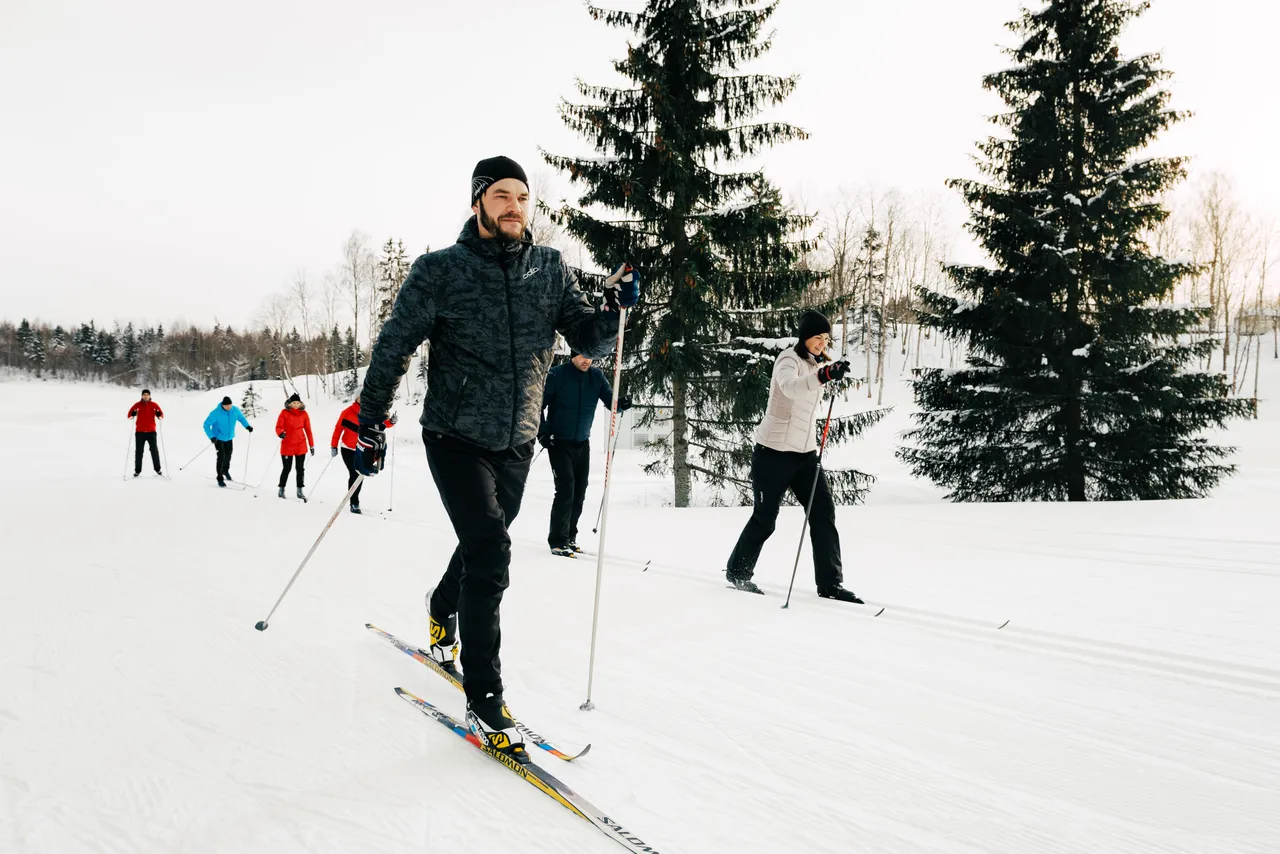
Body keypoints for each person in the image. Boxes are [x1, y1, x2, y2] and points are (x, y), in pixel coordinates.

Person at [352, 155, 639, 763]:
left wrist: (613, 310)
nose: (514, 206)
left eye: (523, 197)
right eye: (502, 195)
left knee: (483, 542)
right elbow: (395, 344)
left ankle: (439, 603)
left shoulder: (550, 268)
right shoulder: (440, 271)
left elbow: (584, 335)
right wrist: (369, 420)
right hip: (454, 437)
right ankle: (485, 699)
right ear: (478, 201)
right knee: (491, 549)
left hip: (517, 441)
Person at [725, 310, 864, 603]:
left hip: (805, 455)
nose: (821, 344)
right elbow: (789, 389)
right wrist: (824, 374)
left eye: (826, 339)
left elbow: (811, 388)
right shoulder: (788, 360)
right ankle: (737, 573)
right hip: (772, 453)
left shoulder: (815, 363)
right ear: (805, 336)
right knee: (765, 518)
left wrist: (828, 371)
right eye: (817, 338)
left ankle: (831, 584)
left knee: (823, 513)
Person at [537, 352, 632, 556]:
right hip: (558, 441)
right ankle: (557, 540)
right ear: (573, 355)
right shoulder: (556, 375)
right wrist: (543, 433)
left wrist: (621, 404)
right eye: (583, 356)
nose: (586, 361)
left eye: (590, 357)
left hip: (582, 442)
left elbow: (610, 402)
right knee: (566, 489)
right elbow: (538, 406)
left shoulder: (596, 377)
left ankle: (570, 537)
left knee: (580, 491)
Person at [330, 396, 396, 514]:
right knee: (355, 473)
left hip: (364, 449)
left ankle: (354, 500)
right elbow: (338, 429)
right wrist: (333, 446)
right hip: (348, 449)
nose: (364, 399)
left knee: (361, 473)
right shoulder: (347, 412)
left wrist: (391, 421)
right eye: (361, 397)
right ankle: (354, 503)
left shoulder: (371, 413)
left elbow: (382, 424)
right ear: (357, 398)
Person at [203, 395, 253, 487]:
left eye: (230, 405)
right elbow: (206, 425)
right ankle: (219, 478)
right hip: (218, 439)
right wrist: (212, 437)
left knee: (228, 455)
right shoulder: (215, 413)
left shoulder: (235, 410)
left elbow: (241, 418)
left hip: (229, 438)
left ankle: (225, 471)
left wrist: (247, 426)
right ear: (222, 405)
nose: (229, 407)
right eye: (227, 405)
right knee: (221, 457)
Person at [275, 392, 314, 499]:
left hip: (301, 444)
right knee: (287, 468)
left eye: (298, 403)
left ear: (300, 404)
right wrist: (280, 433)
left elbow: (308, 430)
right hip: (288, 444)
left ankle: (300, 490)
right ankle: (281, 489)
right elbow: (278, 426)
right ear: (290, 404)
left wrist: (311, 445)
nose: (296, 405)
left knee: (300, 469)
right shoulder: (284, 413)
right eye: (294, 403)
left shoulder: (304, 414)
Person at [127, 389, 165, 477]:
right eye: (144, 395)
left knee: (154, 451)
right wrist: (133, 414)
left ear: (150, 396)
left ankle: (158, 469)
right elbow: (129, 416)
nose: (146, 396)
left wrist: (159, 414)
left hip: (151, 432)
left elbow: (161, 416)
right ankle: (137, 470)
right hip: (140, 432)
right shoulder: (137, 405)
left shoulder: (154, 405)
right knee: (139, 452)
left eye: (147, 395)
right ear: (142, 396)